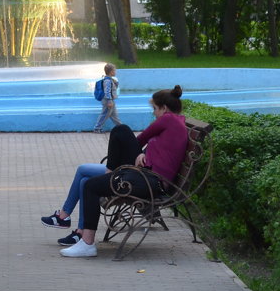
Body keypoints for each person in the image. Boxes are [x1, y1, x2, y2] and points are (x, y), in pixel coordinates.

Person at [52, 86, 189, 257]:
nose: (154, 114)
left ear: (164, 108)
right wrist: (142, 154)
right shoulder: (176, 122)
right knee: (88, 179)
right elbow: (159, 151)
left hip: (150, 181)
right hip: (146, 176)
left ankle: (86, 242)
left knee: (120, 132)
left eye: (155, 109)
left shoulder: (168, 119)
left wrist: (139, 152)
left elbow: (140, 139)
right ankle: (84, 241)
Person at [93, 63, 121, 133]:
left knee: (114, 115)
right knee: (105, 114)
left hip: (111, 101)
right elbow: (107, 91)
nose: (115, 72)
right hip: (108, 101)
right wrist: (109, 101)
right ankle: (97, 128)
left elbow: (113, 88)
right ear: (111, 72)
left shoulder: (110, 80)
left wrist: (116, 83)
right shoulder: (107, 81)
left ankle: (121, 127)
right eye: (114, 71)